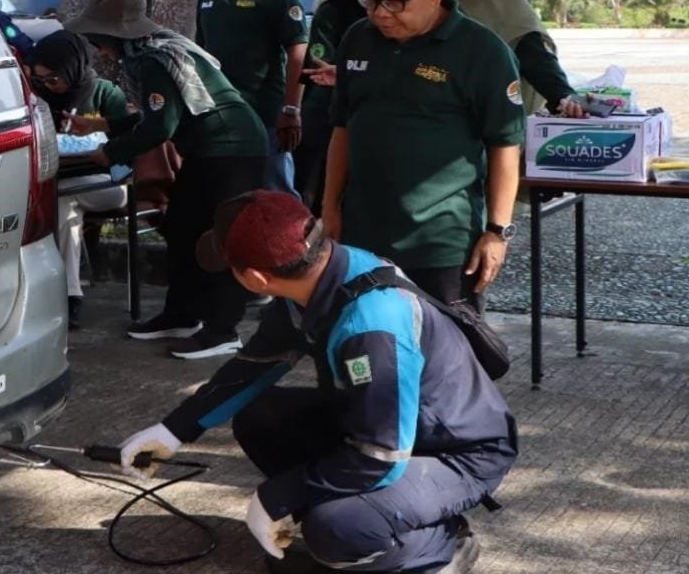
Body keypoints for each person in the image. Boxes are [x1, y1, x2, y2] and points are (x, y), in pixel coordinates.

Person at [117, 190, 517, 573]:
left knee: (337, 530)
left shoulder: (372, 326)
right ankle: (363, 514)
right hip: (390, 428)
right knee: (260, 415)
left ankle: (440, 545)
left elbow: (380, 453)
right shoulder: (321, 273)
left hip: (456, 453)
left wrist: (276, 497)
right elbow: (254, 365)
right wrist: (174, 430)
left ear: (255, 278)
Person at [62, 0, 268, 359]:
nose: (98, 49)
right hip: (210, 151)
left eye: (98, 40)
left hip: (231, 151)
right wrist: (99, 127)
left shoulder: (154, 59)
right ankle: (182, 314)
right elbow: (156, 116)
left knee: (221, 237)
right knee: (181, 229)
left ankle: (223, 329)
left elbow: (161, 127)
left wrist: (111, 153)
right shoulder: (154, 50)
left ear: (116, 35)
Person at [322, 0, 525, 312]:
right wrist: (330, 208)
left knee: (448, 361)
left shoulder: (482, 52)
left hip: (442, 246)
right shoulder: (357, 40)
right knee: (366, 350)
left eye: (394, 1)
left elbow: (505, 146)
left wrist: (498, 232)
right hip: (362, 239)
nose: (380, 13)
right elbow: (343, 129)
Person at [196, 0, 309, 196]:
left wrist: (291, 110)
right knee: (229, 198)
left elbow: (298, 51)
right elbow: (202, 57)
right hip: (221, 119)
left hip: (265, 118)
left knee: (275, 195)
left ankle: (295, 243)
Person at [29, 30, 130, 329]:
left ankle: (68, 294)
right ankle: (69, 294)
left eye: (53, 78)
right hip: (60, 185)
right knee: (63, 202)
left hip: (110, 183)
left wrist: (104, 158)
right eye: (41, 80)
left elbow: (130, 153)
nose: (49, 85)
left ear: (72, 67)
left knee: (62, 198)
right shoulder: (40, 102)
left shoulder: (105, 94)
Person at [434, 0, 585, 118]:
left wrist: (566, 99)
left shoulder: (513, 20)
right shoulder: (440, 11)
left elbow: (542, 68)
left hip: (496, 132)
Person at [295, 0, 376, 213]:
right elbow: (319, 64)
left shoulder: (383, 9)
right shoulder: (333, 11)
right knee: (316, 187)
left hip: (367, 113)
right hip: (327, 113)